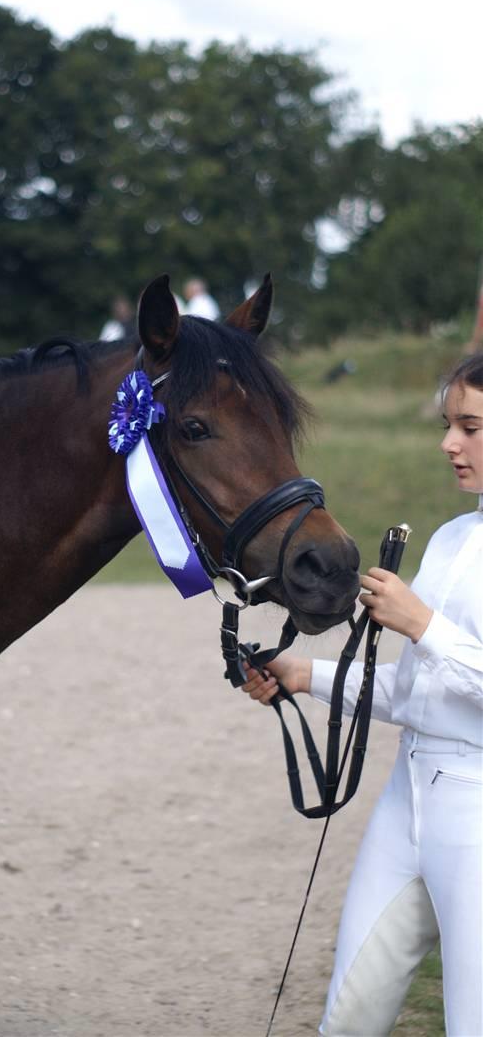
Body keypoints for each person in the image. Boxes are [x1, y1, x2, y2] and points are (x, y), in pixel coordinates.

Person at [243, 353, 483, 1037]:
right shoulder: (449, 539)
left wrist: (423, 624)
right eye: (448, 424)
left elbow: (437, 649)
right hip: (407, 800)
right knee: (348, 1019)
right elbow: (416, 695)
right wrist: (303, 674)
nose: (449, 443)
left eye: (470, 426)